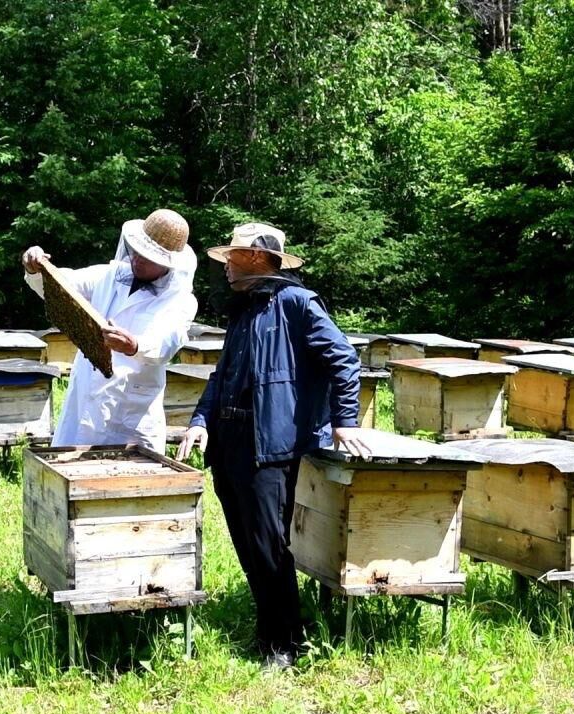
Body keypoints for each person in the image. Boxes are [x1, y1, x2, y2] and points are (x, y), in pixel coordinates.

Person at [175, 222, 373, 669]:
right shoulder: (245, 310)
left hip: (274, 446)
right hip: (231, 444)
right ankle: (271, 625)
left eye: (234, 257)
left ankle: (285, 643)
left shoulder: (296, 304)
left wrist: (344, 422)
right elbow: (222, 375)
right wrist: (201, 420)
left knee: (268, 545)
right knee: (247, 543)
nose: (226, 266)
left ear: (259, 259)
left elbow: (344, 360)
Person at [22, 209, 197, 454]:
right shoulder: (110, 275)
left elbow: (169, 342)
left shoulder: (181, 301)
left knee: (129, 487)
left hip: (131, 416)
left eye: (147, 258)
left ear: (167, 263)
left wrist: (135, 345)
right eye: (136, 251)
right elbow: (61, 286)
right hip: (84, 399)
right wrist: (36, 269)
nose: (137, 259)